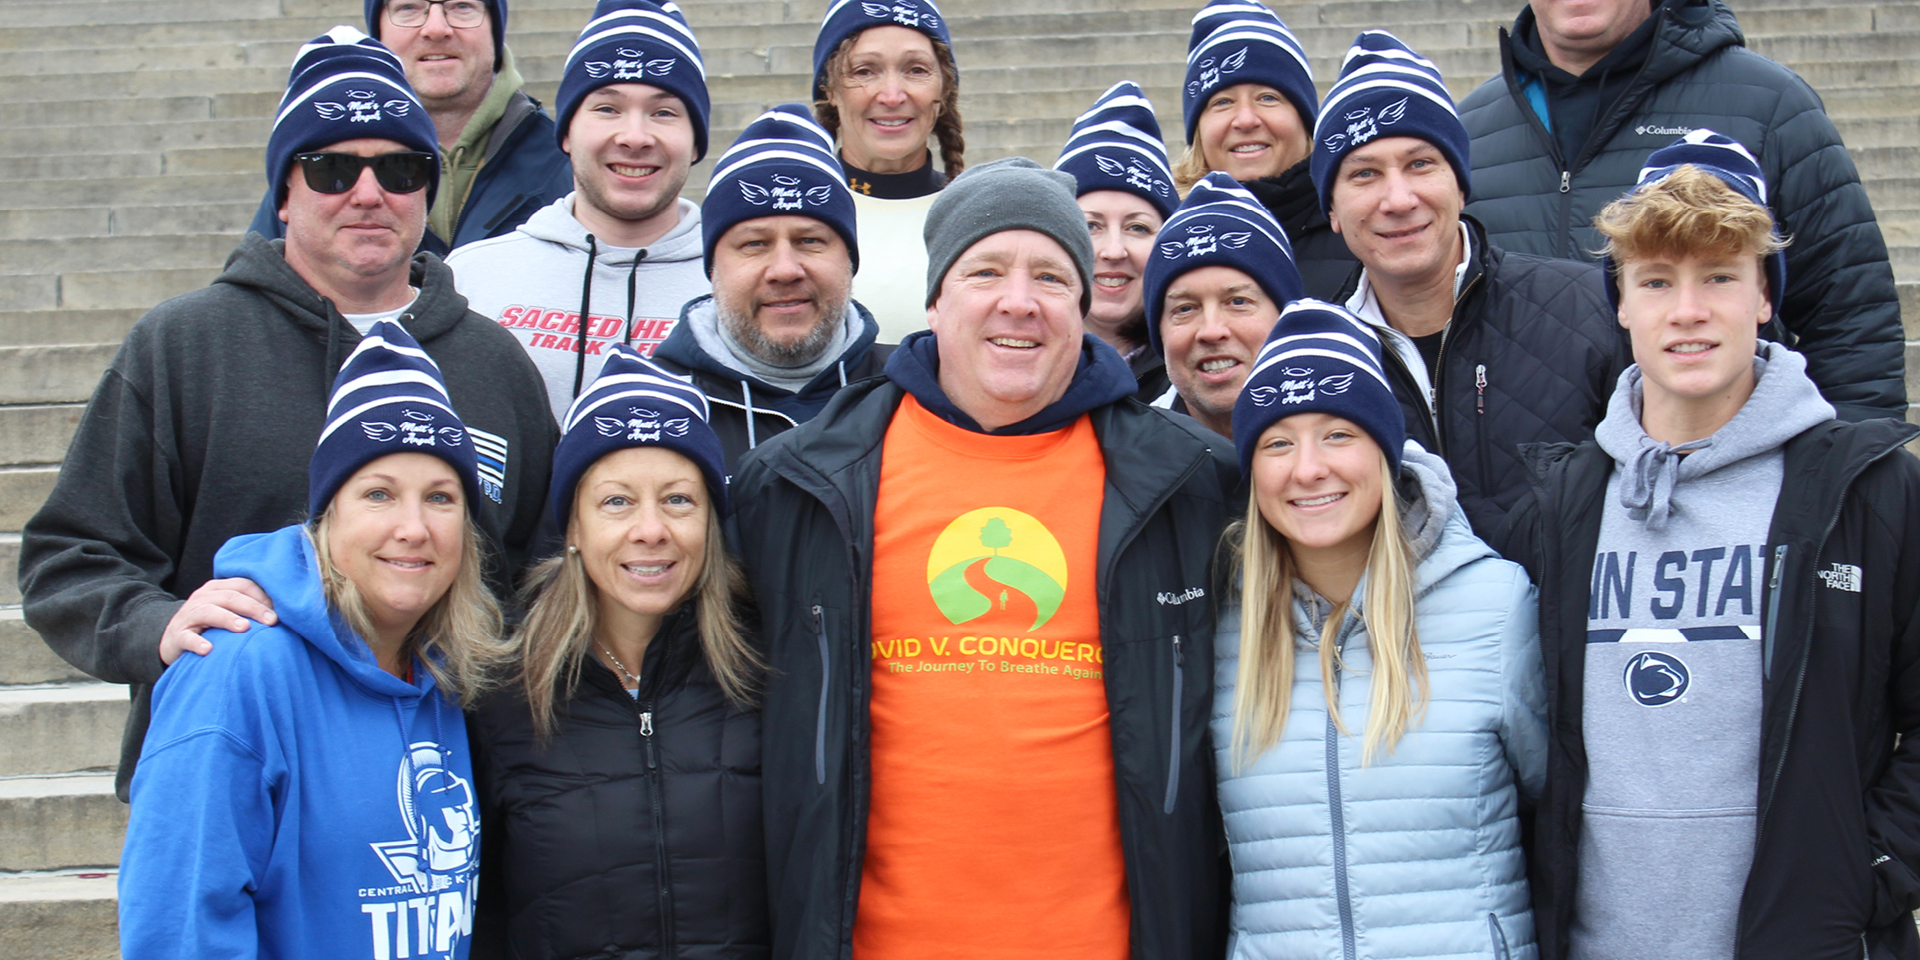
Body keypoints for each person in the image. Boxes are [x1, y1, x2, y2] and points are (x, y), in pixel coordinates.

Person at [18, 27, 556, 802]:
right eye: (332, 168)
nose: (369, 193)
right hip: (233, 784)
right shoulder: (185, 345)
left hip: (440, 797)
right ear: (283, 191)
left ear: (425, 191)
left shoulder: (494, 362)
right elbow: (68, 556)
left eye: (400, 169)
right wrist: (156, 625)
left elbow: (538, 579)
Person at [727, 158, 1237, 959]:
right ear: (935, 299)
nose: (1018, 302)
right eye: (986, 270)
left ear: (1083, 302)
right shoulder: (798, 486)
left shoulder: (1193, 486)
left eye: (1049, 277)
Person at [1499, 132, 1920, 959]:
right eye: (1656, 281)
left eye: (1719, 276)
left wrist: (1868, 870)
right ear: (1620, 302)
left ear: (1765, 295)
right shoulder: (1565, 501)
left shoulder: (1868, 490)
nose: (1687, 310)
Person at [118, 321, 511, 960]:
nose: (413, 528)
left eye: (440, 498)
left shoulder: (442, 675)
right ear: (326, 518)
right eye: (378, 494)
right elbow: (179, 928)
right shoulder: (237, 668)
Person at [1214, 300, 1546, 958]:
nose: (1308, 468)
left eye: (1339, 434)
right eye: (1278, 442)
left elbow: (1557, 812)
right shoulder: (1224, 629)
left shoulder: (1493, 606)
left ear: (1387, 451)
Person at [1458, 0, 1903, 422]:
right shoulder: (1468, 132)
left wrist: (1852, 476)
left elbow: (1852, 317)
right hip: (1528, 493)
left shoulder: (1769, 105)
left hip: (1728, 478)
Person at [468, 349, 766, 960]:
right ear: (572, 527)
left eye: (679, 500)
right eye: (616, 502)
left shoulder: (767, 669)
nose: (651, 529)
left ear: (711, 521)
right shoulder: (499, 686)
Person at [1311, 31, 1626, 544]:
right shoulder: (1316, 358)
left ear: (1459, 183)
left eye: (1420, 164)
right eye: (1364, 174)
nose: (1398, 198)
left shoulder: (1590, 308)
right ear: (1332, 211)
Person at [448, 0, 713, 423]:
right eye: (607, 108)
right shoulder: (471, 278)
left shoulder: (735, 286)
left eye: (663, 113)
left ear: (696, 142)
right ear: (567, 132)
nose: (634, 137)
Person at [653, 104, 892, 466]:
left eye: (810, 240)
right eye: (754, 244)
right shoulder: (652, 407)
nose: (784, 270)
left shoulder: (911, 392)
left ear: (849, 260)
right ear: (714, 267)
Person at [246, 0, 572, 255]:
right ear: (379, 31)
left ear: (494, 26)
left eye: (461, 6)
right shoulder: (319, 173)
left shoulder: (568, 166)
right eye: (408, 7)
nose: (436, 29)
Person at [1176, 0, 1356, 300]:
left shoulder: (1359, 229)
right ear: (1198, 133)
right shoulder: (1166, 239)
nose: (1246, 119)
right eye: (1222, 102)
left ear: (1305, 121)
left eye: (1268, 98)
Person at [810, 0, 963, 342]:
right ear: (829, 89)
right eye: (865, 71)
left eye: (916, 70)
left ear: (944, 87)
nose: (892, 96)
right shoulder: (793, 218)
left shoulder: (979, 215)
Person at [1142, 171, 1303, 436]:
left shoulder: (1352, 455)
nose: (1211, 331)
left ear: (1286, 317)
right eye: (1185, 309)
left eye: (1238, 302)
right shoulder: (1121, 463)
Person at [1054, 81, 1178, 402]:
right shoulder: (1011, 362)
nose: (1113, 251)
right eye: (1091, 225)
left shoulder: (1196, 371)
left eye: (1137, 228)